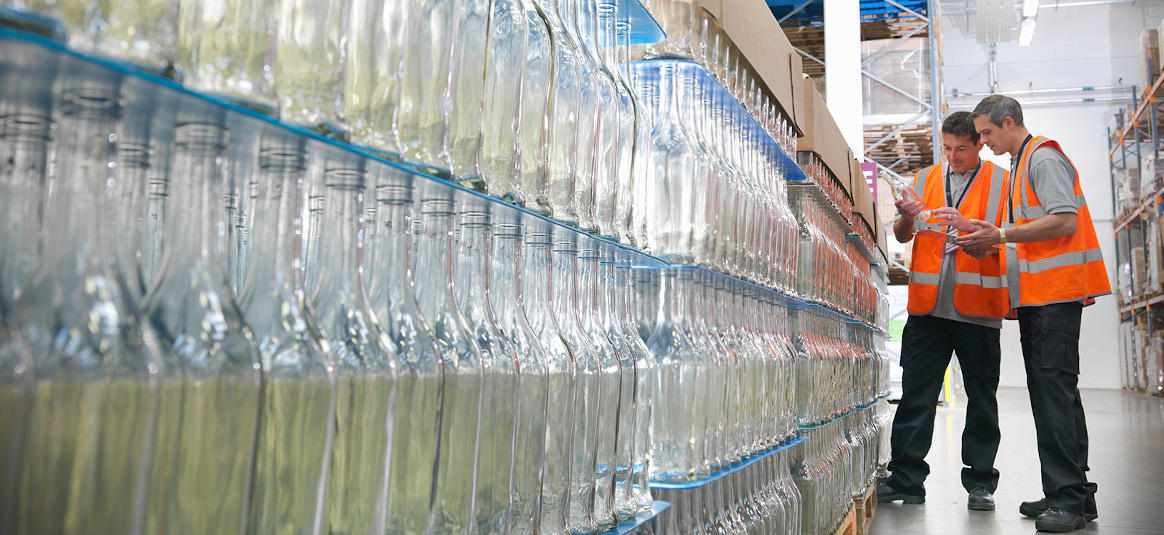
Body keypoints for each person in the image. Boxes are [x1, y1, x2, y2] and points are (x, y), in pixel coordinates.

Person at [956, 94, 1110, 533]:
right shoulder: (1023, 163)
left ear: (1008, 122)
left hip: (1055, 298)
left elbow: (1064, 221)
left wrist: (999, 234)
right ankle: (1074, 492)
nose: (983, 142)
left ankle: (1069, 500)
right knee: (1056, 397)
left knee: (1053, 398)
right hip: (1040, 299)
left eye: (986, 132)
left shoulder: (1042, 158)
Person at [876, 112, 1011, 512]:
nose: (953, 157)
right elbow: (904, 235)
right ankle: (906, 481)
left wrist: (974, 234)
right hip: (927, 308)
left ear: (980, 145)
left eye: (963, 149)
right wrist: (905, 215)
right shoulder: (923, 181)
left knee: (982, 399)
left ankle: (981, 483)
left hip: (979, 309)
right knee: (917, 396)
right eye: (948, 148)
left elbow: (1012, 239)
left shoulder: (1003, 184)